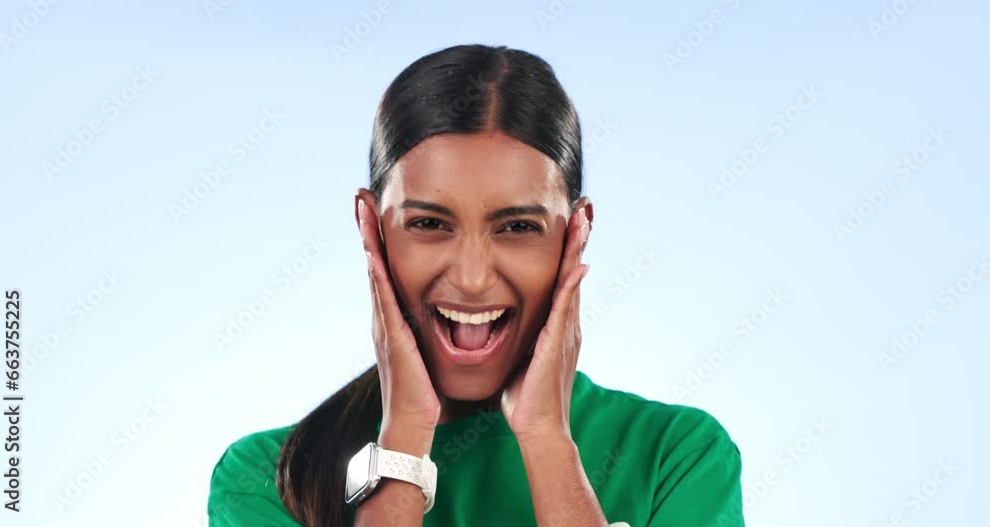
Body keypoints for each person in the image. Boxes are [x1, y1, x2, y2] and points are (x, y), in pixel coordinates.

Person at [207, 44, 745, 527]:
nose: (470, 278)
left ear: (575, 233)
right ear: (371, 228)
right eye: (429, 224)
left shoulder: (677, 455)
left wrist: (547, 441)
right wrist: (406, 433)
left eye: (518, 227)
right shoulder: (266, 478)